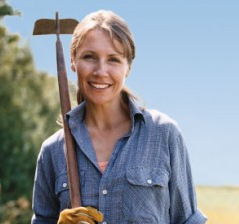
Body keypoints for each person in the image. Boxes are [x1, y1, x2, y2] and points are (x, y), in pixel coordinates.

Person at [31, 10, 207, 224]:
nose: (100, 71)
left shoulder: (163, 134)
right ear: (73, 61)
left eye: (113, 59)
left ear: (128, 67)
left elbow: (187, 220)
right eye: (89, 57)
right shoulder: (53, 151)